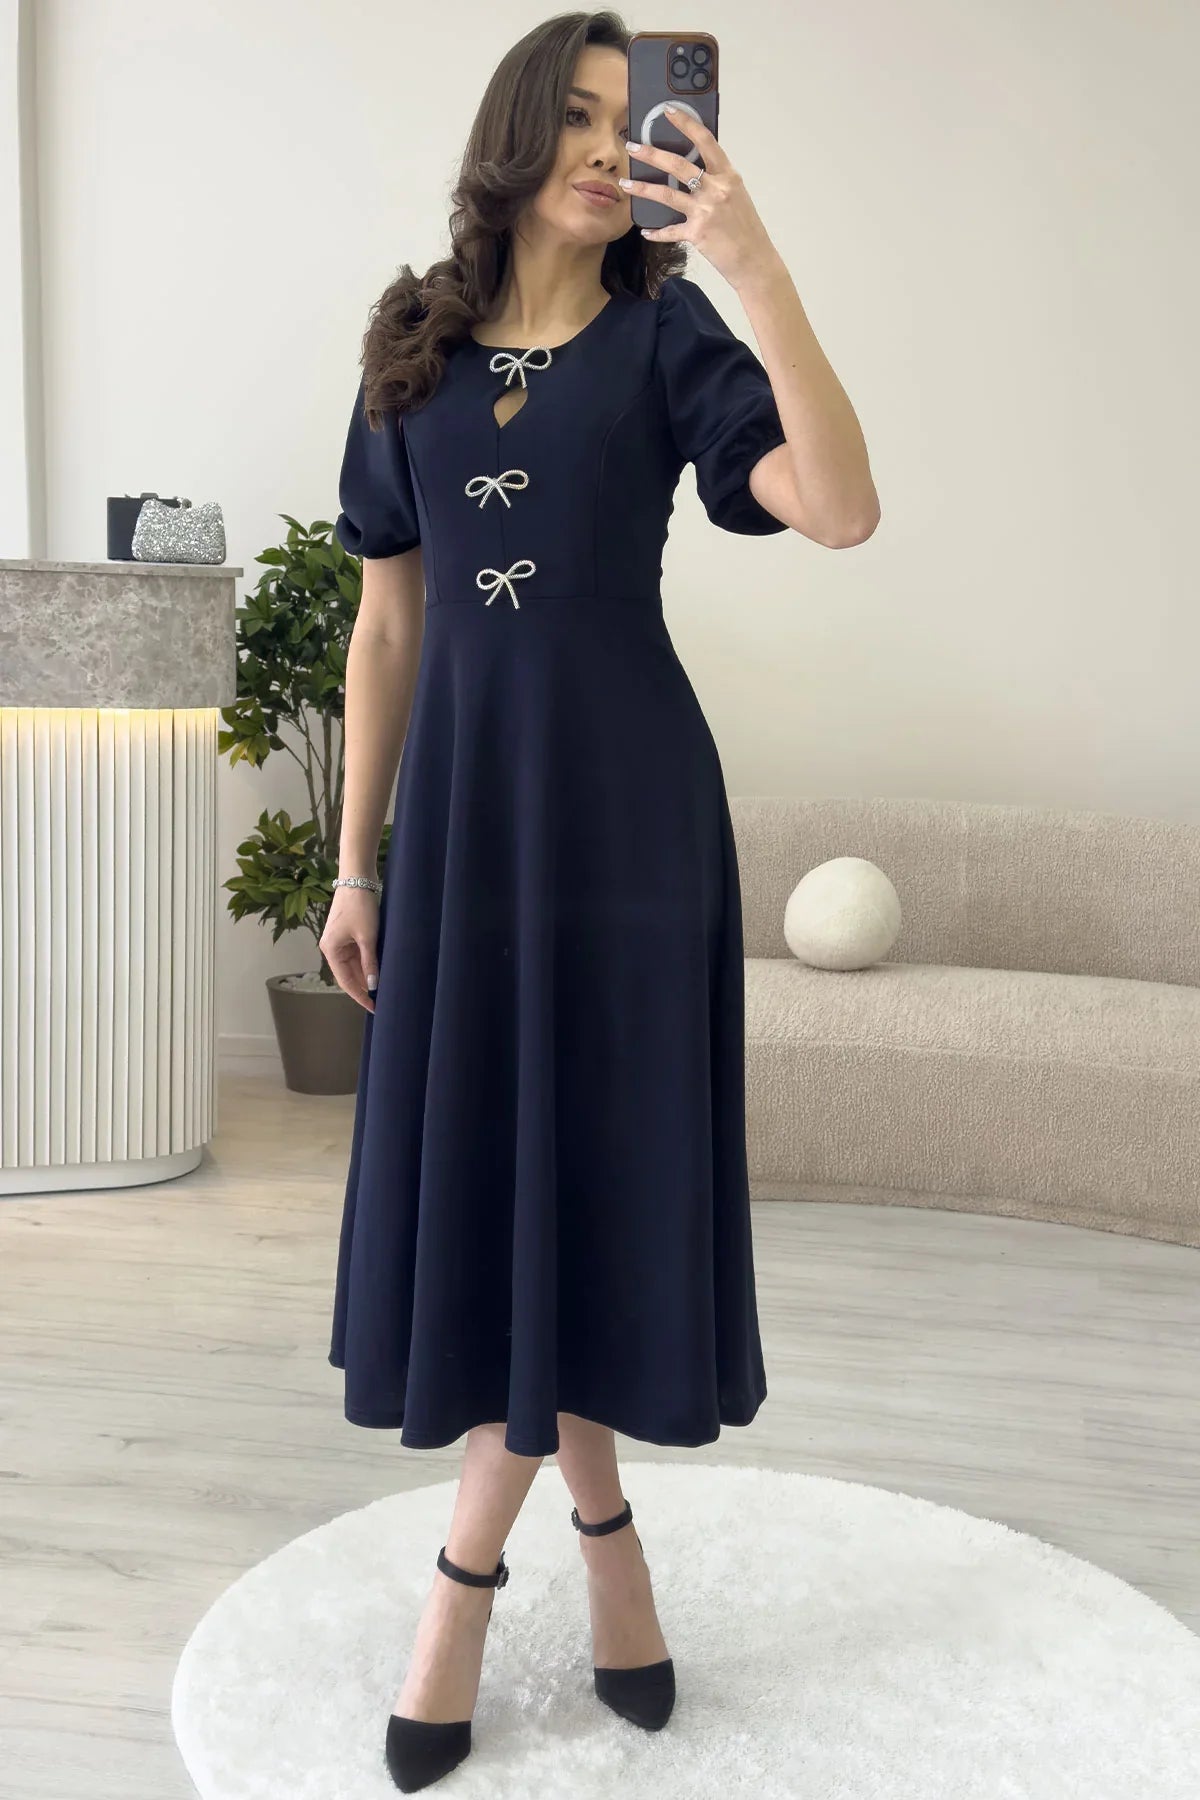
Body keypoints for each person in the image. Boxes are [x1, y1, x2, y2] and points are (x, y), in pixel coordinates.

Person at [319, 11, 878, 1791]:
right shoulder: (411, 349)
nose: (600, 145)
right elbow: (389, 622)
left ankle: (461, 1587)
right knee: (509, 1190)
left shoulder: (669, 335)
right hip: (465, 836)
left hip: (629, 830)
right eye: (571, 113)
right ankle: (611, 1549)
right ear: (513, 131)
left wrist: (754, 265)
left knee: (585, 1178)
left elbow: (842, 512)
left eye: (629, 120)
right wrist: (354, 858)